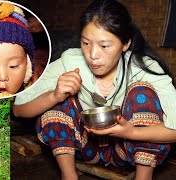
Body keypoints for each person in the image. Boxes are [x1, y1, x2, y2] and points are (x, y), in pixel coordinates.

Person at [12, 0, 176, 179]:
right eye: (86, 43)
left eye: (104, 46)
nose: (92, 55)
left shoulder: (143, 68)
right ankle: (69, 175)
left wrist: (131, 132)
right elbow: (19, 109)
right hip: (84, 147)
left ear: (125, 44)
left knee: (142, 92)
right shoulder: (71, 61)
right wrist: (54, 96)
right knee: (60, 97)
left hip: (127, 150)